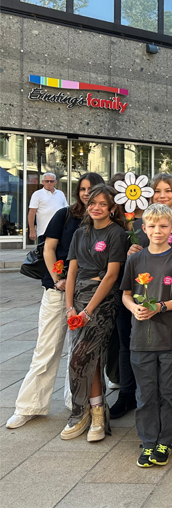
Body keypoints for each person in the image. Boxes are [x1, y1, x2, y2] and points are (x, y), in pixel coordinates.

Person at [6, 173, 104, 430]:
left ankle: (76, 403)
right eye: (82, 189)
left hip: (87, 295)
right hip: (57, 291)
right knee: (46, 349)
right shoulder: (64, 215)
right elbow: (49, 248)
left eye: (91, 189)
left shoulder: (103, 221)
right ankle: (29, 406)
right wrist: (57, 278)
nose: (86, 194)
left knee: (79, 353)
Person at [116, 174, 172, 419]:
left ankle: (168, 430)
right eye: (157, 190)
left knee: (169, 381)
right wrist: (133, 253)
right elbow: (127, 288)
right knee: (147, 384)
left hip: (170, 305)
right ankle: (148, 431)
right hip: (142, 324)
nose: (163, 194)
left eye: (168, 190)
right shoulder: (136, 230)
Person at [121, 203, 172, 467]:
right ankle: (148, 441)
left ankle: (166, 440)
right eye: (152, 226)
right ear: (144, 229)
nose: (157, 231)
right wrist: (134, 308)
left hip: (170, 339)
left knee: (169, 392)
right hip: (140, 340)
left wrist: (161, 306)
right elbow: (126, 294)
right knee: (146, 394)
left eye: (163, 226)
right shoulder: (135, 259)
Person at [62, 184, 128, 442]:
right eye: (93, 203)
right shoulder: (81, 233)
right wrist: (70, 307)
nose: (96, 207)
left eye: (103, 204)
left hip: (102, 302)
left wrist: (89, 311)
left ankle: (81, 413)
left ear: (112, 209)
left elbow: (112, 275)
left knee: (80, 357)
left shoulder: (116, 234)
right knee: (91, 359)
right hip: (77, 299)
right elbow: (71, 272)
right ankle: (97, 414)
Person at [28, 172, 68, 242]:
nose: (49, 183)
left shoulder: (60, 194)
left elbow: (66, 210)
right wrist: (32, 230)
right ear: (43, 182)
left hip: (60, 231)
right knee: (44, 252)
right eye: (47, 181)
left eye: (51, 181)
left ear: (55, 182)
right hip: (44, 231)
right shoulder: (37, 194)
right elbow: (32, 213)